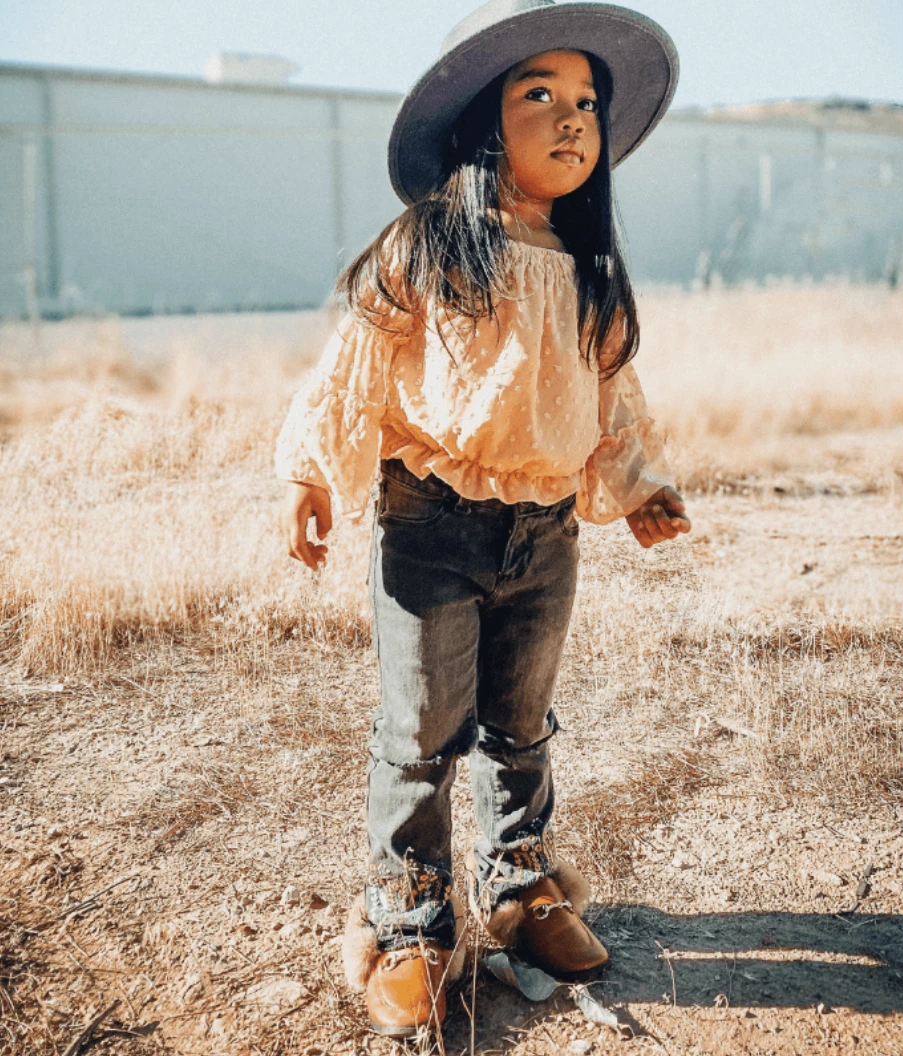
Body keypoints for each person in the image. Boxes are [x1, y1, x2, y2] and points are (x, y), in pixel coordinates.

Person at [274, 0, 687, 1038]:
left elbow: (613, 394)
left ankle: (517, 888)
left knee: (521, 724)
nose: (572, 117)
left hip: (545, 535)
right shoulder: (427, 244)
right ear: (478, 123)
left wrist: (640, 485)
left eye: (586, 101)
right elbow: (354, 364)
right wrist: (312, 475)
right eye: (539, 93)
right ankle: (410, 920)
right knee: (420, 734)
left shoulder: (587, 266)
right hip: (431, 527)